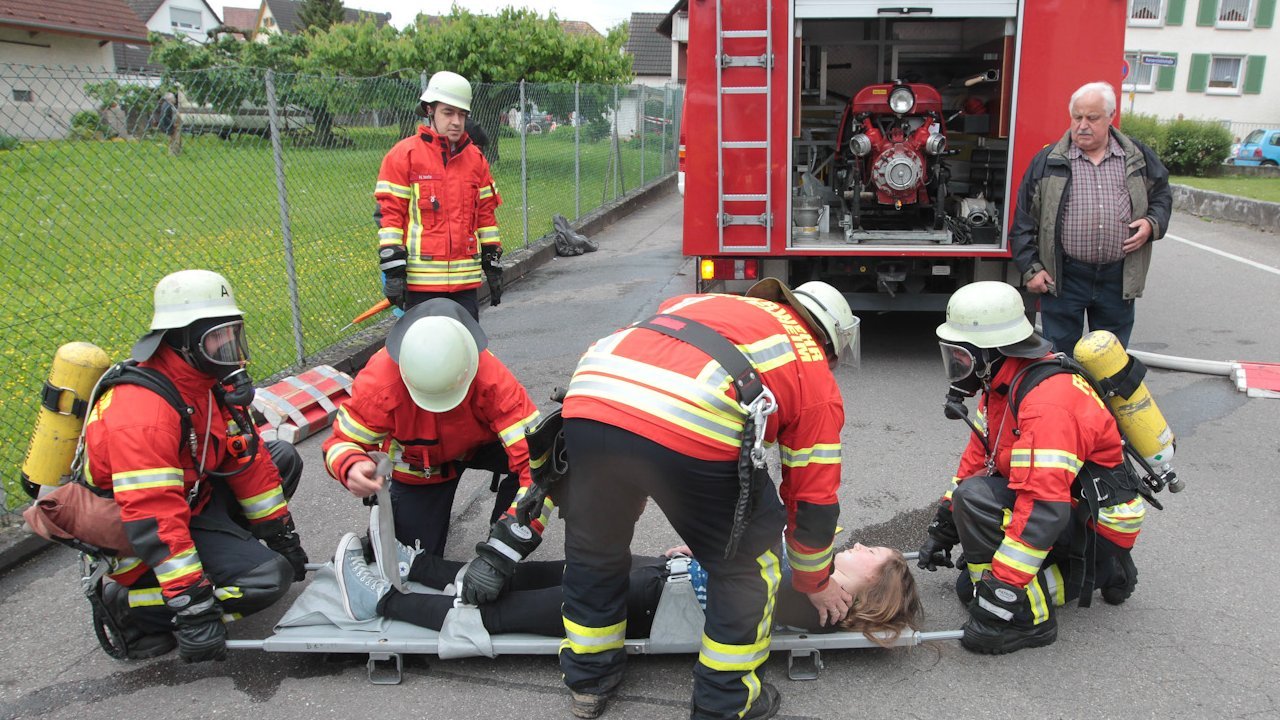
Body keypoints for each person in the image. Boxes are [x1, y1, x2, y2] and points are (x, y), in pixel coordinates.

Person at [556, 278, 861, 720]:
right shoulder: (812, 366)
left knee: (594, 546)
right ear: (831, 345)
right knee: (748, 565)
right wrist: (814, 580)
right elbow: (812, 497)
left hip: (591, 394)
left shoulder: (710, 301)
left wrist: (626, 485)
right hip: (691, 419)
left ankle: (589, 677)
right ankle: (726, 698)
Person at [86, 269, 308, 662]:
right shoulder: (143, 414)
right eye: (217, 341)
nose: (230, 351)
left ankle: (226, 558)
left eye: (232, 336)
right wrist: (192, 605)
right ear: (181, 341)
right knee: (267, 580)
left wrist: (282, 538)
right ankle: (129, 605)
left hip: (190, 501)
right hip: (138, 537)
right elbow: (154, 517)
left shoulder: (204, 382)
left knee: (281, 457)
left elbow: (246, 458)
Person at [916, 281, 1147, 655]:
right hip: (1071, 505)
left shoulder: (1047, 404)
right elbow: (978, 463)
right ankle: (1099, 570)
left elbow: (1042, 509)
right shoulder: (1003, 384)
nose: (956, 369)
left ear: (990, 351)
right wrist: (943, 529)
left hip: (1094, 520)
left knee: (977, 516)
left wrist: (999, 602)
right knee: (967, 580)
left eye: (961, 357)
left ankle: (1033, 619)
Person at [330, 529, 923, 647]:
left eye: (875, 555)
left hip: (650, 607)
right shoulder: (813, 579)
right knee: (552, 570)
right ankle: (430, 571)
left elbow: (748, 588)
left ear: (872, 586)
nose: (863, 547)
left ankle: (380, 602)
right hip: (657, 586)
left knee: (509, 612)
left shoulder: (821, 603)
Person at [320, 298, 541, 562]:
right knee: (413, 562)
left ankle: (500, 530)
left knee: (545, 467)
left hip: (484, 445)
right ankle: (390, 536)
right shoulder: (379, 384)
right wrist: (350, 466)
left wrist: (506, 547)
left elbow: (539, 462)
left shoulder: (492, 378)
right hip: (425, 467)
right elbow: (340, 442)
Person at [1011, 81, 1171, 355]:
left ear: (1111, 117)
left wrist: (1151, 224)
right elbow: (1024, 221)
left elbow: (1162, 197)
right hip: (1064, 277)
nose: (1083, 125)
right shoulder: (1047, 161)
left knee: (1111, 361)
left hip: (1117, 277)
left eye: (1092, 118)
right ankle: (1064, 399)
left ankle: (1104, 399)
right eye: (1077, 117)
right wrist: (1032, 269)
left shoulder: (1138, 157)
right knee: (1059, 358)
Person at [374, 70, 503, 321]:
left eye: (462, 114)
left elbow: (486, 216)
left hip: (465, 286)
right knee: (425, 357)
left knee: (466, 355)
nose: (456, 121)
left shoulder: (476, 159)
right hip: (421, 288)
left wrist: (492, 263)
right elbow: (391, 217)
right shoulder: (404, 155)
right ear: (430, 110)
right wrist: (394, 272)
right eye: (448, 112)